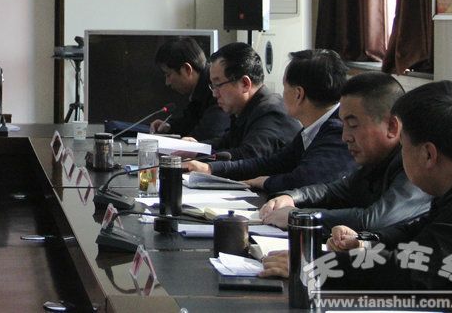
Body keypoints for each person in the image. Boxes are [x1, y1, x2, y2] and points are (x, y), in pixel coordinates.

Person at [261, 81, 452, 299]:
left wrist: (316, 265)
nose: (345, 136)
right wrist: (365, 242)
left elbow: (413, 272)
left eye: (403, 146)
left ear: (428, 154)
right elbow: (415, 230)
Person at [259, 72, 431, 231]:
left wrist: (299, 217)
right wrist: (291, 197)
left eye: (353, 125)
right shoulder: (376, 161)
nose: (345, 137)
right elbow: (334, 191)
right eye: (344, 125)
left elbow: (374, 220)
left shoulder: (415, 164)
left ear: (392, 127)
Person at [183, 49, 355, 193]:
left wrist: (265, 182)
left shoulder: (337, 130)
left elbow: (303, 180)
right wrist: (210, 168)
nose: (281, 93)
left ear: (298, 94)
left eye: (285, 87)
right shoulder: (314, 127)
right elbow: (274, 162)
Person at [191, 42, 301, 160]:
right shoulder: (246, 109)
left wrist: (204, 162)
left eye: (218, 85)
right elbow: (226, 142)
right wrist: (195, 148)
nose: (214, 93)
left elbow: (249, 156)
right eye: (212, 86)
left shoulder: (270, 113)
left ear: (245, 84)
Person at [148, 37, 229, 141]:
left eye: (168, 75)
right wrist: (170, 127)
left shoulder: (217, 92)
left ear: (187, 69)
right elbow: (190, 123)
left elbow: (207, 135)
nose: (167, 83)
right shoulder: (200, 88)